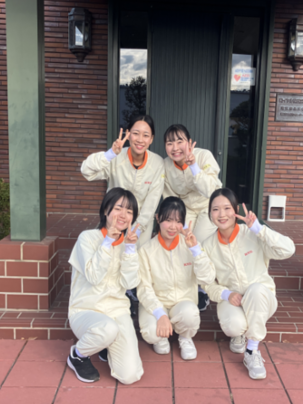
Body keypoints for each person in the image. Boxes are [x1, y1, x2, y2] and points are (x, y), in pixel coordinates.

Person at [202, 188, 295, 380]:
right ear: (210, 214)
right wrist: (226, 294)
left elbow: (288, 250)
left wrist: (260, 229)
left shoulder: (252, 234)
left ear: (236, 210)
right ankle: (239, 333)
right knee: (233, 326)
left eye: (227, 208)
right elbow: (207, 284)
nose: (221, 214)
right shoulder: (208, 245)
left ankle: (252, 350)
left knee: (256, 289)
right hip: (233, 301)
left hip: (262, 298)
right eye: (215, 209)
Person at [66, 188, 144, 385]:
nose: (123, 215)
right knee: (107, 328)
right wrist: (108, 241)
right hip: (86, 310)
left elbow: (129, 283)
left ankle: (105, 345)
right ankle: (78, 355)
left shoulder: (128, 243)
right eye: (118, 208)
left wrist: (130, 249)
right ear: (105, 211)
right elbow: (94, 276)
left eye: (129, 211)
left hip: (117, 311)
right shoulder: (87, 238)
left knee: (129, 375)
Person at [137, 197, 216, 360]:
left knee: (190, 314)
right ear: (158, 218)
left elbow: (207, 278)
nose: (173, 227)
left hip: (182, 302)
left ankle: (185, 337)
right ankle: (161, 336)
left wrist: (195, 250)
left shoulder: (191, 245)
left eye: (178, 221)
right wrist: (160, 314)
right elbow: (144, 288)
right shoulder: (146, 250)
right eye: (168, 220)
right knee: (151, 332)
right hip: (156, 303)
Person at [81, 115, 164, 248]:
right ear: (128, 134)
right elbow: (87, 171)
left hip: (141, 224)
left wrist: (137, 230)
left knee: (136, 257)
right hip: (114, 219)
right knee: (108, 254)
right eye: (135, 133)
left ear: (151, 139)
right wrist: (110, 154)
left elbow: (152, 201)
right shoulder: (116, 157)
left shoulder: (157, 163)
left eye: (146, 135)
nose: (140, 139)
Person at [163, 124, 222, 311]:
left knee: (199, 242)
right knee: (181, 241)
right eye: (169, 143)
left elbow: (210, 190)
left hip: (208, 206)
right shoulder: (165, 164)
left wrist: (194, 166)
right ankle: (185, 285)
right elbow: (169, 194)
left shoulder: (204, 156)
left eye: (179, 141)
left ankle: (202, 288)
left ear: (189, 142)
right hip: (186, 208)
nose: (175, 148)